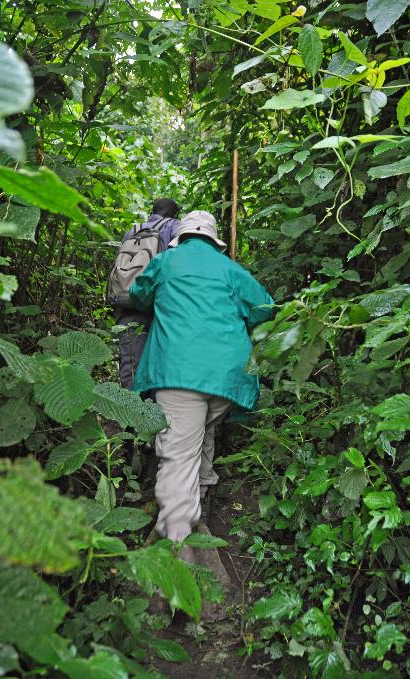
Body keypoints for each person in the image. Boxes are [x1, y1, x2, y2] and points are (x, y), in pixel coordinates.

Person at [129, 210, 274, 548]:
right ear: (213, 239)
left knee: (178, 453)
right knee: (202, 431)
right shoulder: (230, 269)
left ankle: (180, 547)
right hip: (227, 378)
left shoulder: (167, 261)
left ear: (181, 236)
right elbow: (266, 308)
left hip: (181, 374)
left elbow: (138, 294)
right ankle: (202, 502)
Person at [115, 198, 180, 389]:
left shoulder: (133, 230)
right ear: (175, 214)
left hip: (127, 300)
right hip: (158, 302)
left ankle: (130, 408)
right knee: (160, 357)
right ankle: (155, 408)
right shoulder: (174, 226)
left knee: (131, 358)